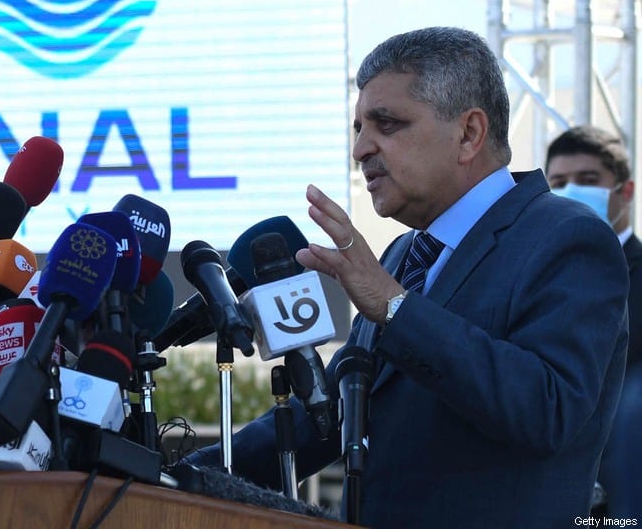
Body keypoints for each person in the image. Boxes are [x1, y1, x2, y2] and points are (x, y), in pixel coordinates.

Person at [186, 26, 628, 527]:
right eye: (358, 128)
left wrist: (396, 308)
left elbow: (546, 408)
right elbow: (327, 422)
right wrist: (172, 475)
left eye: (387, 125)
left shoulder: (569, 238)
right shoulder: (401, 256)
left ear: (469, 133)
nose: (360, 150)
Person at [545, 125, 641, 521]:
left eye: (587, 181)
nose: (571, 192)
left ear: (625, 191)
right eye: (559, 182)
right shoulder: (539, 278)